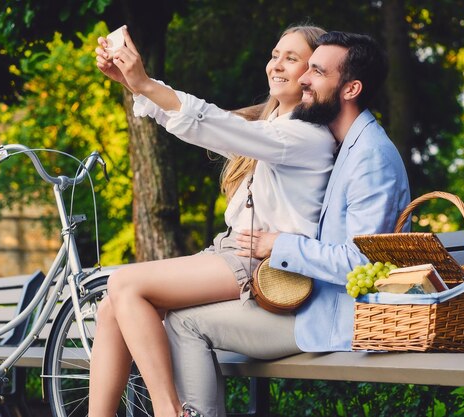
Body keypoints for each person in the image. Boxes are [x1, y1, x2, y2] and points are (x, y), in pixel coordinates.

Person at [91, 24, 338, 417]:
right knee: (110, 306)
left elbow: (211, 122)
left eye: (291, 58)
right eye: (275, 55)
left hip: (263, 263)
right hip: (231, 250)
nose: (277, 65)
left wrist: (144, 83)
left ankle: (168, 410)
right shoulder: (269, 127)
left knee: (124, 283)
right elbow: (208, 126)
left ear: (311, 74)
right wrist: (136, 84)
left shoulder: (306, 136)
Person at [165, 31, 411, 416]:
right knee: (178, 318)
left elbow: (360, 264)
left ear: (351, 89)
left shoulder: (371, 157)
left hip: (331, 318)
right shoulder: (346, 144)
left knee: (184, 324)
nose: (305, 80)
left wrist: (277, 245)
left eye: (316, 71)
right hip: (308, 302)